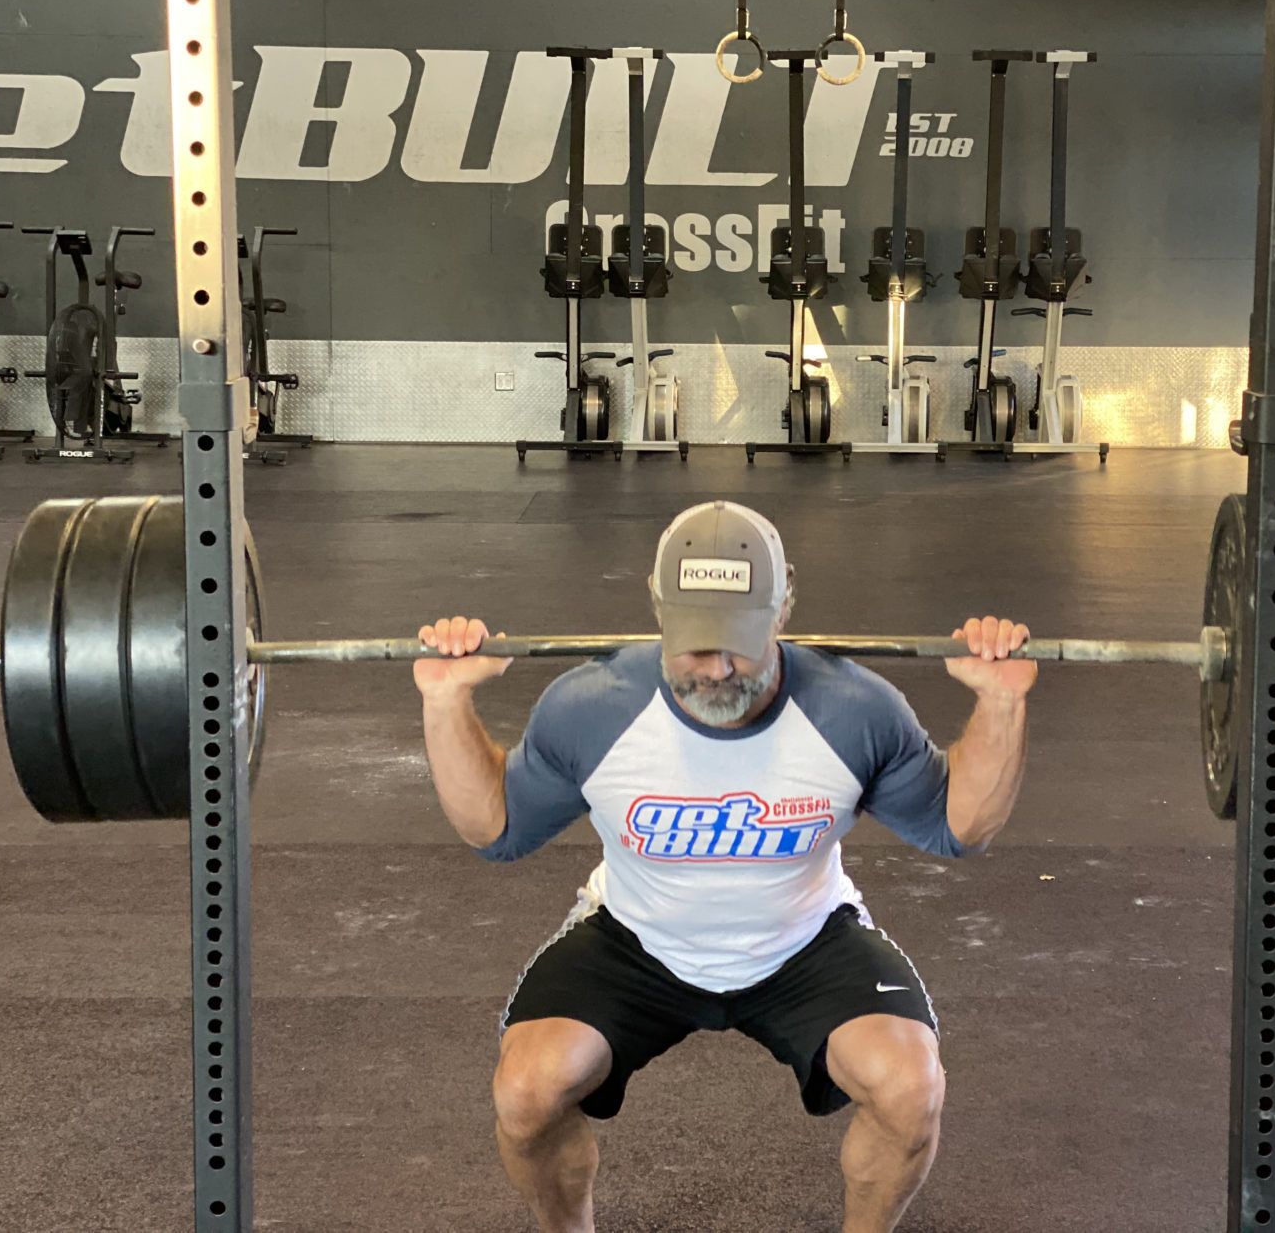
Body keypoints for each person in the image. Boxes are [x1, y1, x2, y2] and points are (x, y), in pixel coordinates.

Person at [414, 501, 1035, 1233]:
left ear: (783, 608)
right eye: (695, 647)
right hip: (635, 938)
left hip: (804, 940)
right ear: (657, 608)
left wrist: (1001, 703)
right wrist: (446, 699)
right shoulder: (591, 708)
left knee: (911, 1087)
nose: (715, 670)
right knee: (526, 1091)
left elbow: (959, 829)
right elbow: (497, 831)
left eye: (736, 645)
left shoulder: (853, 711)